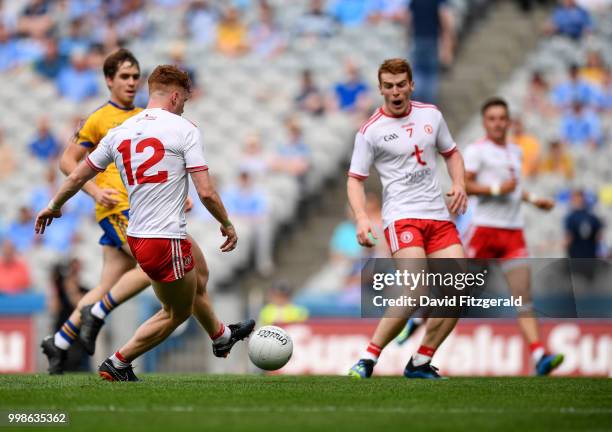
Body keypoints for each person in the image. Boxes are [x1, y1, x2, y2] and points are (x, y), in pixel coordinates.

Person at [35, 64, 255, 382]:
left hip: (140, 234)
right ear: (176, 96)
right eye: (184, 102)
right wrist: (227, 223)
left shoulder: (121, 131)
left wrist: (54, 205)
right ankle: (118, 362)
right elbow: (206, 191)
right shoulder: (185, 129)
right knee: (176, 312)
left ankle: (221, 336)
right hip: (164, 239)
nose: (183, 107)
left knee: (200, 277)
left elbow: (79, 174)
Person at [347, 58, 468, 379]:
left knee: (459, 290)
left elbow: (452, 153)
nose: (396, 91)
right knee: (416, 289)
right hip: (402, 218)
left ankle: (420, 362)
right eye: (389, 85)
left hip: (439, 219)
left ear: (411, 85)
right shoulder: (371, 131)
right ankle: (368, 358)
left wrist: (459, 183)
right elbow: (355, 179)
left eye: (401, 84)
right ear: (381, 88)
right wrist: (361, 218)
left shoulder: (431, 115)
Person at [462, 97, 563, 375]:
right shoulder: (477, 151)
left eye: (501, 118)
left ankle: (539, 354)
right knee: (456, 294)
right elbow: (465, 186)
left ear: (508, 122)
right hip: (484, 230)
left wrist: (532, 199)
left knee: (523, 298)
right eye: (492, 118)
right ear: (485, 123)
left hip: (513, 233)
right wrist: (496, 190)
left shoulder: (515, 152)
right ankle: (419, 321)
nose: (497, 123)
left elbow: (514, 189)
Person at [406, 0, 455, 104]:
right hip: (432, 40)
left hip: (417, 39)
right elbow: (445, 17)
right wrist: (447, 42)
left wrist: (408, 37)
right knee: (430, 75)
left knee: (418, 72)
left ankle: (416, 104)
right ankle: (428, 106)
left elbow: (409, 19)